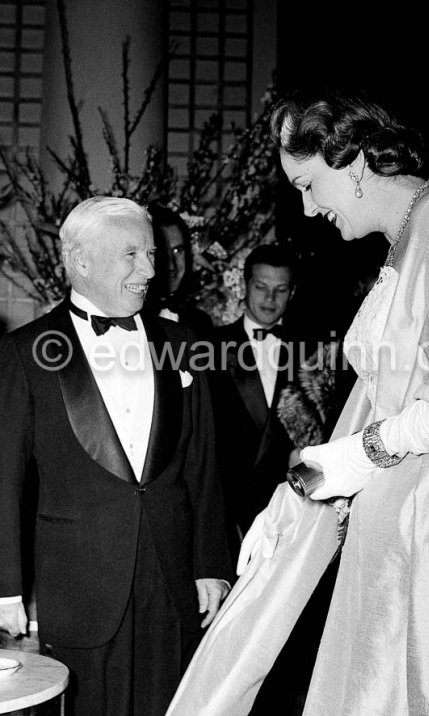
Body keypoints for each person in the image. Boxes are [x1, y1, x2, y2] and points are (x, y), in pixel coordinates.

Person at [166, 88, 429, 715]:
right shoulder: (412, 235)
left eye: (309, 183)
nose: (308, 207)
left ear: (354, 162)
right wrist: (294, 494)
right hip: (406, 526)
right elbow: (376, 408)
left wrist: (361, 453)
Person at [0, 196, 232, 716]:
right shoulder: (24, 352)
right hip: (78, 588)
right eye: (132, 254)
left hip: (173, 586)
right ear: (80, 262)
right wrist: (5, 589)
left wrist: (212, 565)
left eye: (150, 255)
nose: (150, 270)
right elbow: (3, 479)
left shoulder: (183, 343)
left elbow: (202, 466)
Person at [209, 243, 306, 563]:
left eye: (280, 290)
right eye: (261, 287)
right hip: (229, 512)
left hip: (289, 509)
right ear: (245, 285)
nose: (270, 299)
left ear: (292, 293)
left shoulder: (310, 352)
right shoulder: (210, 347)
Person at [145, 201, 213, 337]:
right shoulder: (128, 319)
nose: (171, 265)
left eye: (178, 251)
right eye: (162, 252)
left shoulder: (201, 322)